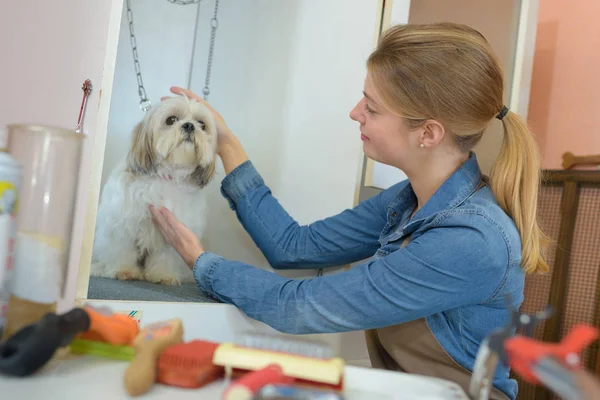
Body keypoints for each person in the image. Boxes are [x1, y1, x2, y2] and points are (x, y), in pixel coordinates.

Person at [149, 22, 548, 400]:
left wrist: (202, 263)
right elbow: (293, 246)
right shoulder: (407, 200)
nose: (355, 113)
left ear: (428, 133)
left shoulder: (471, 240)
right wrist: (227, 146)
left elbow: (299, 306)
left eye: (372, 108)